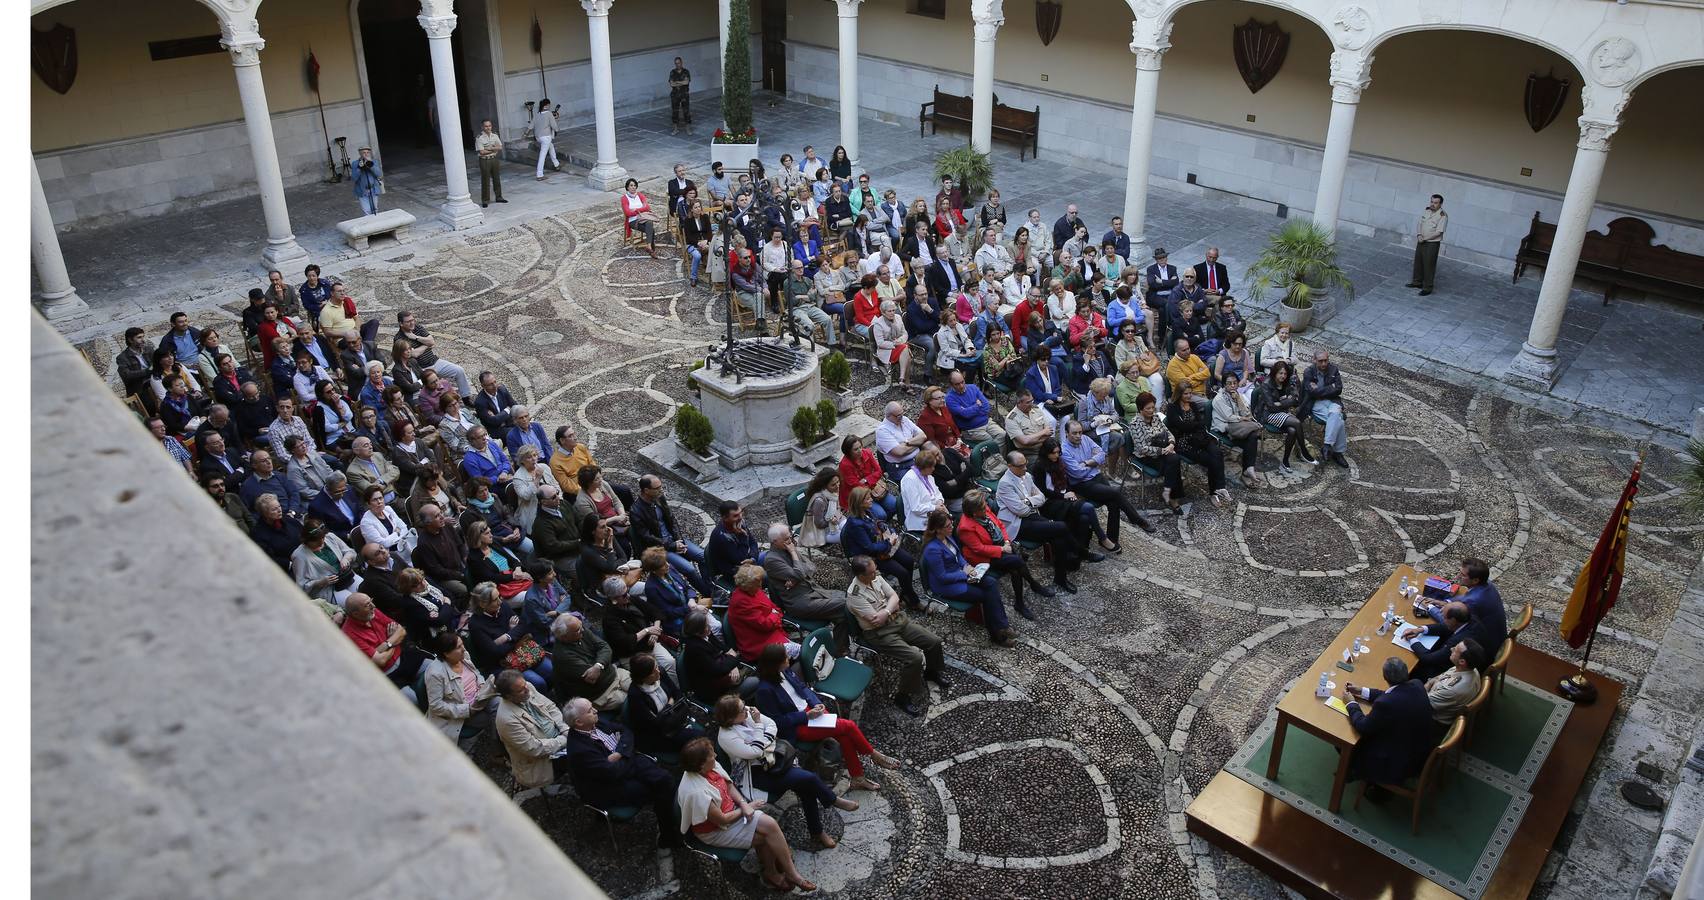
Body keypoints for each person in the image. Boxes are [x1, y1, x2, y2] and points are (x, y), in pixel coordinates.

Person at [714, 696, 857, 852]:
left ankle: (818, 831)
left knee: (806, 787)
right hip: (758, 774)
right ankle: (831, 801)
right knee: (809, 779)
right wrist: (760, 727)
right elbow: (754, 751)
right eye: (742, 709)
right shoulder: (727, 737)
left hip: (774, 760)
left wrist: (761, 738)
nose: (747, 709)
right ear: (731, 719)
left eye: (744, 706)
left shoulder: (746, 713)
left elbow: (772, 725)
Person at [751, 643, 899, 794]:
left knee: (844, 735)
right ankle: (873, 755)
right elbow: (777, 722)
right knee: (848, 726)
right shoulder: (764, 690)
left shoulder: (785, 671)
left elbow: (803, 688)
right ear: (776, 663)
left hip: (812, 712)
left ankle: (857, 778)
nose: (789, 658)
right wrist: (806, 715)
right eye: (785, 658)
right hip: (799, 725)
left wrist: (817, 703)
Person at [676, 738, 817, 892]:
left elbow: (729, 785)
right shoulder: (697, 793)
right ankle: (773, 872)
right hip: (716, 830)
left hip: (732, 810)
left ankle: (790, 873)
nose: (715, 755)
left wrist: (743, 803)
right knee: (764, 838)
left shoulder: (709, 767)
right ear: (701, 765)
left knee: (770, 824)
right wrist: (747, 808)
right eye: (711, 755)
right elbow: (722, 820)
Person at [1339, 657, 1440, 796]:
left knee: (1345, 739)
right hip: (1419, 749)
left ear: (1385, 676)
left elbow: (1363, 725)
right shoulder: (1416, 685)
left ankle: (1359, 773)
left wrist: (1351, 704)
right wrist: (1361, 691)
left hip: (1398, 761)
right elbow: (1390, 695)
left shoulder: (1386, 704)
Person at [920, 508, 1014, 647]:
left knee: (991, 582)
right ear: (938, 530)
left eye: (951, 524)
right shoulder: (932, 549)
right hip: (947, 585)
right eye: (948, 526)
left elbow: (959, 556)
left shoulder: (948, 537)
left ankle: (1002, 626)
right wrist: (964, 573)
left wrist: (967, 566)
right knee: (985, 595)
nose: (952, 527)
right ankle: (998, 634)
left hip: (961, 574)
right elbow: (942, 577)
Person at [959, 489, 1056, 618]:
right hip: (984, 557)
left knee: (1015, 569)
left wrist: (1006, 541)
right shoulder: (965, 527)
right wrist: (1002, 549)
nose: (986, 508)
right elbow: (979, 549)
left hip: (1002, 546)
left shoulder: (983, 509)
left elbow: (1000, 525)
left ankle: (1020, 602)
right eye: (982, 507)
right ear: (974, 513)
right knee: (1017, 562)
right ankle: (1033, 586)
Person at [467, 582, 552, 693]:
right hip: (503, 665)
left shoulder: (503, 607)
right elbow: (495, 652)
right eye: (495, 599)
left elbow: (523, 626)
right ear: (483, 604)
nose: (500, 601)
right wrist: (514, 636)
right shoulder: (476, 624)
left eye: (499, 596)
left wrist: (507, 636)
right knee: (538, 682)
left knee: (552, 671)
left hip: (524, 652)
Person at [492, 669, 570, 790]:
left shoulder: (527, 686)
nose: (527, 689)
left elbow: (551, 707)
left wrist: (564, 729)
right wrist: (564, 740)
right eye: (521, 690)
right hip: (541, 761)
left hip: (559, 738)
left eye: (525, 684)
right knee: (582, 755)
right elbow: (534, 748)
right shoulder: (506, 720)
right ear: (509, 696)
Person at [421, 631, 496, 753]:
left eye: (462, 644)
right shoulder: (435, 673)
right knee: (495, 717)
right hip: (463, 711)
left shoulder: (463, 656)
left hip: (480, 697)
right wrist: (466, 710)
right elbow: (436, 706)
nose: (464, 649)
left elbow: (476, 673)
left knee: (499, 705)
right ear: (446, 654)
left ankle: (499, 750)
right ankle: (494, 753)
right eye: (458, 647)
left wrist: (483, 685)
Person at [341, 592, 421, 693]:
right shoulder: (349, 634)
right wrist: (393, 640)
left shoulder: (372, 612)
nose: (373, 606)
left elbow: (401, 630)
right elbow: (381, 661)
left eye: (371, 601)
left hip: (403, 656)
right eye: (367, 605)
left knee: (433, 668)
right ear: (356, 614)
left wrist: (385, 645)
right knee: (412, 700)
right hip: (387, 674)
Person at [551, 614, 631, 711]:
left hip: (615, 673)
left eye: (581, 626)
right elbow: (595, 677)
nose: (583, 630)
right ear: (564, 637)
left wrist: (598, 665)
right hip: (600, 693)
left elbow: (605, 647)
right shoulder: (562, 656)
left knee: (644, 683)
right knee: (633, 699)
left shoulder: (580, 630)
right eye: (577, 630)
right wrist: (604, 662)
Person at [1399, 601, 1493, 681]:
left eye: (1444, 617)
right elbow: (1446, 627)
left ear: (1453, 620)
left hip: (1447, 672)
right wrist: (1420, 630)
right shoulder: (1469, 619)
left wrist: (1412, 639)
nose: (1442, 620)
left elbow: (1428, 659)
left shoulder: (1459, 642)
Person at [1426, 558, 1509, 648]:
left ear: (1475, 580)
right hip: (1496, 635)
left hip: (1484, 646)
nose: (1458, 577)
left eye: (1463, 575)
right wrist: (1447, 603)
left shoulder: (1473, 602)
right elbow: (1466, 596)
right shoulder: (1486, 584)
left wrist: (1429, 607)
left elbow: (1451, 623)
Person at [727, 564, 796, 662]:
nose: (761, 585)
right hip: (758, 643)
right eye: (757, 583)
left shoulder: (754, 590)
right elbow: (765, 624)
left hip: (772, 633)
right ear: (747, 585)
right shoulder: (741, 602)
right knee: (802, 653)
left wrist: (774, 613)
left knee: (802, 652)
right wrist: (775, 614)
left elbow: (774, 607)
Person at [1211, 372, 1266, 488]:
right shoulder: (1219, 399)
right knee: (1251, 438)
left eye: (1235, 383)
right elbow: (1228, 417)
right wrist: (1243, 418)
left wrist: (1239, 401)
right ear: (1224, 385)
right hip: (1225, 428)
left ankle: (1248, 470)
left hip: (1240, 427)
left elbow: (1248, 413)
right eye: (1229, 383)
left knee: (1252, 437)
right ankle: (1247, 471)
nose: (1232, 386)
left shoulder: (1238, 395)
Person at [1257, 360, 1310, 472]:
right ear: (1275, 373)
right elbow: (1271, 407)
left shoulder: (1288, 382)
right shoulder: (1266, 384)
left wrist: (1281, 403)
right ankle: (1304, 450)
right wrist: (1287, 400)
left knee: (1292, 430)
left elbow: (1296, 400)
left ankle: (1285, 461)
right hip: (1268, 414)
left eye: (1285, 374)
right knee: (1296, 422)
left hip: (1282, 412)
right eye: (1280, 373)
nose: (1283, 376)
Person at [1300, 350, 1350, 468]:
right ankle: (1338, 453)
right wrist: (1329, 388)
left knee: (1335, 416)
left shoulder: (1333, 369)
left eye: (1325, 360)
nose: (1323, 364)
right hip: (1315, 402)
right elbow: (1312, 392)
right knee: (1339, 420)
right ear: (1314, 360)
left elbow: (1338, 389)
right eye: (1320, 361)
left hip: (1333, 401)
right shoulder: (1309, 372)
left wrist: (1320, 391)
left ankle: (1327, 445)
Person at [291, 521, 359, 606]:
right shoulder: (299, 556)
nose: (322, 543)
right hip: (327, 589)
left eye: (323, 538)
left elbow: (350, 551)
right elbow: (301, 586)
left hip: (346, 577)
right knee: (355, 603)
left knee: (366, 590)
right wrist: (320, 582)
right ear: (306, 540)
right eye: (317, 543)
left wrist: (346, 559)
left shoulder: (330, 537)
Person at [838, 435, 898, 522]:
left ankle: (882, 523)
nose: (860, 450)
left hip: (873, 488)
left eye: (860, 447)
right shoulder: (845, 465)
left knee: (894, 505)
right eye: (856, 449)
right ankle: (876, 524)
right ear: (848, 452)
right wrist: (872, 480)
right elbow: (855, 485)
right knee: (881, 514)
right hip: (860, 496)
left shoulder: (867, 453)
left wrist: (866, 480)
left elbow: (879, 471)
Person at [1407, 193, 1447, 295]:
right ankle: (1417, 282)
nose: (1433, 204)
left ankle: (1427, 287)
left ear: (1440, 204)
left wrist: (1425, 238)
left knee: (1429, 265)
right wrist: (1419, 235)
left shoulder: (1442, 216)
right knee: (1418, 261)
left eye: (1436, 203)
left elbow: (1439, 232)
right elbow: (1420, 223)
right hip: (1421, 240)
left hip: (1432, 244)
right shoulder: (1427, 210)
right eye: (1432, 202)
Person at [1003, 389, 1057, 465]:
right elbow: (1025, 441)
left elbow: (1049, 432)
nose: (1031, 404)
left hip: (1045, 448)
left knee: (1060, 459)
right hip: (1029, 454)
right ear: (1019, 403)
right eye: (1028, 402)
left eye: (1032, 400)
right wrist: (1043, 432)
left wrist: (1032, 441)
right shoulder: (1011, 419)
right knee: (1043, 465)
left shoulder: (1036, 409)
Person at [875, 400, 928, 472]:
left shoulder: (904, 420)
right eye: (898, 416)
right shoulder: (882, 431)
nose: (901, 417)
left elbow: (923, 436)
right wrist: (918, 443)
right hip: (901, 467)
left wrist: (907, 442)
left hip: (918, 458)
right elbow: (900, 452)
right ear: (888, 416)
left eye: (902, 414)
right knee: (918, 479)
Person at [799, 468, 846, 549]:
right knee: (848, 537)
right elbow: (819, 524)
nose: (838, 485)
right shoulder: (819, 501)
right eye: (833, 484)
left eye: (838, 482)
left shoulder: (833, 492)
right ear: (825, 486)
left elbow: (838, 508)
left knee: (853, 529)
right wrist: (831, 522)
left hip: (836, 521)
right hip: (822, 531)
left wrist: (836, 518)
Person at [872, 300, 914, 390]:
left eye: (893, 310)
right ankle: (905, 381)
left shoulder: (898, 318)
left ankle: (902, 379)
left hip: (900, 344)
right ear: (883, 312)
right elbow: (880, 343)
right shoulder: (878, 324)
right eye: (889, 311)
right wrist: (894, 344)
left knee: (906, 353)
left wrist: (900, 340)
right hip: (887, 350)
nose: (892, 313)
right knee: (907, 353)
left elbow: (904, 333)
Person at [472, 119, 505, 207]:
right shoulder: (479, 138)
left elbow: (500, 147)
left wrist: (488, 149)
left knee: (496, 178)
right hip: (484, 160)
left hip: (494, 159)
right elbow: (481, 152)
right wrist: (493, 148)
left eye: (489, 126)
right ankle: (485, 200)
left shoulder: (495, 136)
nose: (488, 128)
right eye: (486, 126)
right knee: (485, 180)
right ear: (482, 127)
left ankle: (499, 197)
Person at [531, 97, 560, 179]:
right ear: (547, 105)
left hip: (538, 137)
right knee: (542, 155)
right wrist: (557, 130)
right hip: (546, 137)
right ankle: (539, 174)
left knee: (551, 147)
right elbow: (553, 125)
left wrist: (525, 134)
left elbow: (531, 125)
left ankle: (556, 164)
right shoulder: (549, 113)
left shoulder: (537, 114)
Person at [351, 147, 382, 215]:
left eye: (367, 152)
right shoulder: (355, 163)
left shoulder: (374, 162)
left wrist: (371, 165)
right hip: (362, 190)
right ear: (360, 154)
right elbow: (354, 178)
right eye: (364, 153)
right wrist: (359, 168)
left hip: (373, 189)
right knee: (367, 211)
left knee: (375, 209)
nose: (366, 154)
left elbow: (379, 174)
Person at [667, 56, 692, 131]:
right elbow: (671, 84)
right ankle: (675, 128)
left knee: (686, 111)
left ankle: (688, 128)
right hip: (675, 95)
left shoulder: (686, 71)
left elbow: (687, 82)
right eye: (676, 63)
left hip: (684, 94)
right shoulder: (672, 72)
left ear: (681, 62)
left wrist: (677, 82)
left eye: (679, 63)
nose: (678, 65)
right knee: (675, 111)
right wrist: (682, 83)